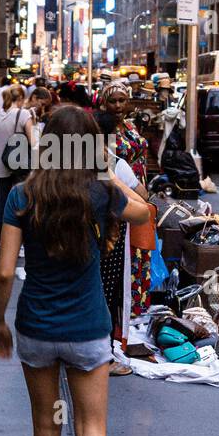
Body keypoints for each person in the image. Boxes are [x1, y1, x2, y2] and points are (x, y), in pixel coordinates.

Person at [0, 105, 150, 436]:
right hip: (88, 329)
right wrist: (105, 170)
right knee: (92, 428)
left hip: (36, 326)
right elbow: (144, 210)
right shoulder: (101, 194)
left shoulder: (22, 195)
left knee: (46, 421)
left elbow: (3, 271)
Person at [97, 82, 153, 320]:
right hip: (122, 194)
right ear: (104, 103)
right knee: (121, 254)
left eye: (122, 100)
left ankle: (133, 309)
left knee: (138, 251)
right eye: (113, 101)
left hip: (136, 189)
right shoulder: (104, 131)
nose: (118, 105)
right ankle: (121, 310)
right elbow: (106, 168)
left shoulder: (131, 127)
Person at [0, 84, 34, 257]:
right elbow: (33, 141)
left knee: (1, 202)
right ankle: (21, 244)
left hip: (1, 165)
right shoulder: (24, 114)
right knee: (22, 203)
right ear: (20, 98)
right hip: (20, 166)